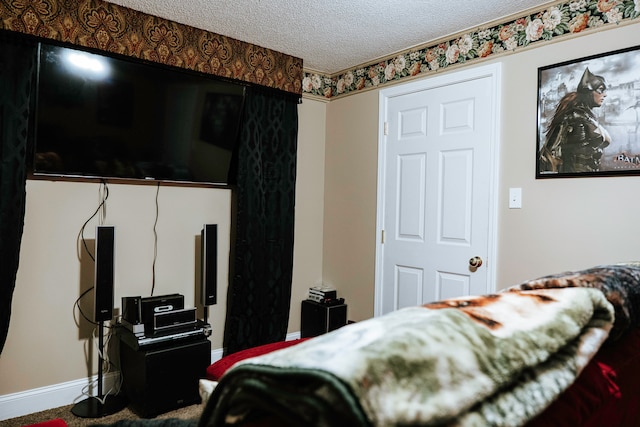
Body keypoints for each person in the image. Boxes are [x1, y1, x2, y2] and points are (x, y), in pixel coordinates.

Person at [538, 67, 611, 173]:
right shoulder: (574, 117)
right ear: (588, 91)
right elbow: (548, 153)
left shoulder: (585, 116)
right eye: (600, 90)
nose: (604, 94)